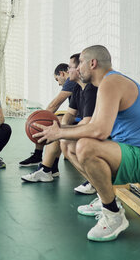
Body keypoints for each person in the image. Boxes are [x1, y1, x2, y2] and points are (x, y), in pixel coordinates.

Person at [34, 45, 140, 242]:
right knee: (70, 145)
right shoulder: (105, 84)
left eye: (80, 63)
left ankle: (113, 214)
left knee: (85, 146)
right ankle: (104, 197)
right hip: (130, 153)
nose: (78, 68)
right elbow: (93, 126)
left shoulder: (111, 82)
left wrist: (61, 131)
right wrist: (57, 133)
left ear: (93, 63)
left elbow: (99, 131)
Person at [21, 54, 97, 183]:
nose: (68, 71)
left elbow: (88, 122)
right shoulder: (78, 88)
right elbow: (71, 113)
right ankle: (47, 169)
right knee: (57, 124)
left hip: (95, 129)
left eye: (70, 68)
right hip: (82, 123)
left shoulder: (90, 89)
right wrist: (60, 127)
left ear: (79, 68)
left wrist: (61, 130)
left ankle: (94, 181)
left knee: (59, 130)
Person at [19, 63, 77, 168]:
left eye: (57, 79)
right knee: (55, 119)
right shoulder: (77, 81)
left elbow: (55, 104)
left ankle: (48, 163)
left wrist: (37, 121)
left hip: (85, 119)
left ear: (62, 73)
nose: (59, 84)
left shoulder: (71, 80)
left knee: (51, 122)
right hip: (79, 115)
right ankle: (46, 161)